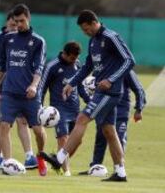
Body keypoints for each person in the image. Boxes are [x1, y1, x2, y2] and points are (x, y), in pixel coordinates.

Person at [42, 10, 135, 182]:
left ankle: (59, 159)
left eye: (87, 29)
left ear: (94, 22)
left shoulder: (111, 37)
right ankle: (120, 172)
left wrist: (111, 79)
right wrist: (71, 83)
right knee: (109, 131)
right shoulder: (93, 42)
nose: (86, 33)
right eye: (83, 31)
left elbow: (129, 60)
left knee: (82, 119)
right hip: (101, 91)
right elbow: (86, 68)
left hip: (110, 91)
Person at [0, 4, 48, 176]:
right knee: (4, 126)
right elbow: (2, 66)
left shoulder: (38, 41)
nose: (19, 25)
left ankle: (40, 157)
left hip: (29, 95)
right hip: (9, 93)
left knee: (38, 130)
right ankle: (8, 164)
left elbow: (39, 67)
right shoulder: (7, 39)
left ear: (28, 19)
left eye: (22, 21)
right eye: (16, 22)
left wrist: (33, 85)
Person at [0, 11, 38, 169]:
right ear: (7, 24)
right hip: (1, 88)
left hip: (20, 87)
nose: (16, 27)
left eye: (18, 24)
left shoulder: (27, 40)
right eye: (13, 25)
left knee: (22, 121)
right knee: (1, 123)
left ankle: (29, 156)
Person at [79, 70, 146, 174]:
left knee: (119, 138)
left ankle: (119, 169)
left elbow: (139, 89)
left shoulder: (126, 71)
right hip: (104, 109)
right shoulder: (104, 67)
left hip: (121, 112)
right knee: (100, 138)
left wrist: (139, 109)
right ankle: (95, 167)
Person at [39, 42, 90, 176]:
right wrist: (39, 105)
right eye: (72, 58)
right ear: (65, 54)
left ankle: (58, 162)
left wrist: (88, 100)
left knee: (77, 141)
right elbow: (42, 87)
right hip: (58, 109)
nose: (74, 61)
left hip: (75, 109)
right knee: (63, 138)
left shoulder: (77, 65)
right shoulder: (52, 66)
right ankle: (66, 171)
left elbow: (81, 85)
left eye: (76, 58)